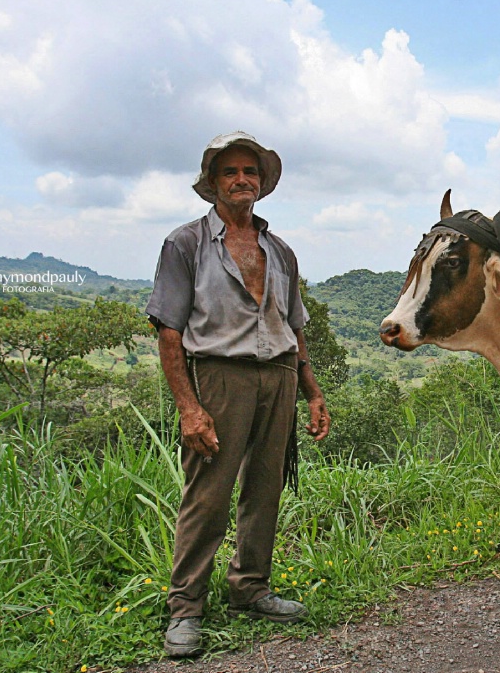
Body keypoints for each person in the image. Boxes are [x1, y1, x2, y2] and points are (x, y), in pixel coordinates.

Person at [145, 131, 331, 658]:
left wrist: (312, 393)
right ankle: (185, 610)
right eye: (231, 172)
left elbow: (295, 329)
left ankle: (250, 588)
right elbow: (170, 331)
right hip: (220, 377)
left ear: (261, 183)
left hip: (279, 377)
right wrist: (189, 406)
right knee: (207, 495)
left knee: (265, 489)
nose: (242, 179)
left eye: (250, 171)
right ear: (213, 183)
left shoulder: (280, 251)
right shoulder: (186, 244)